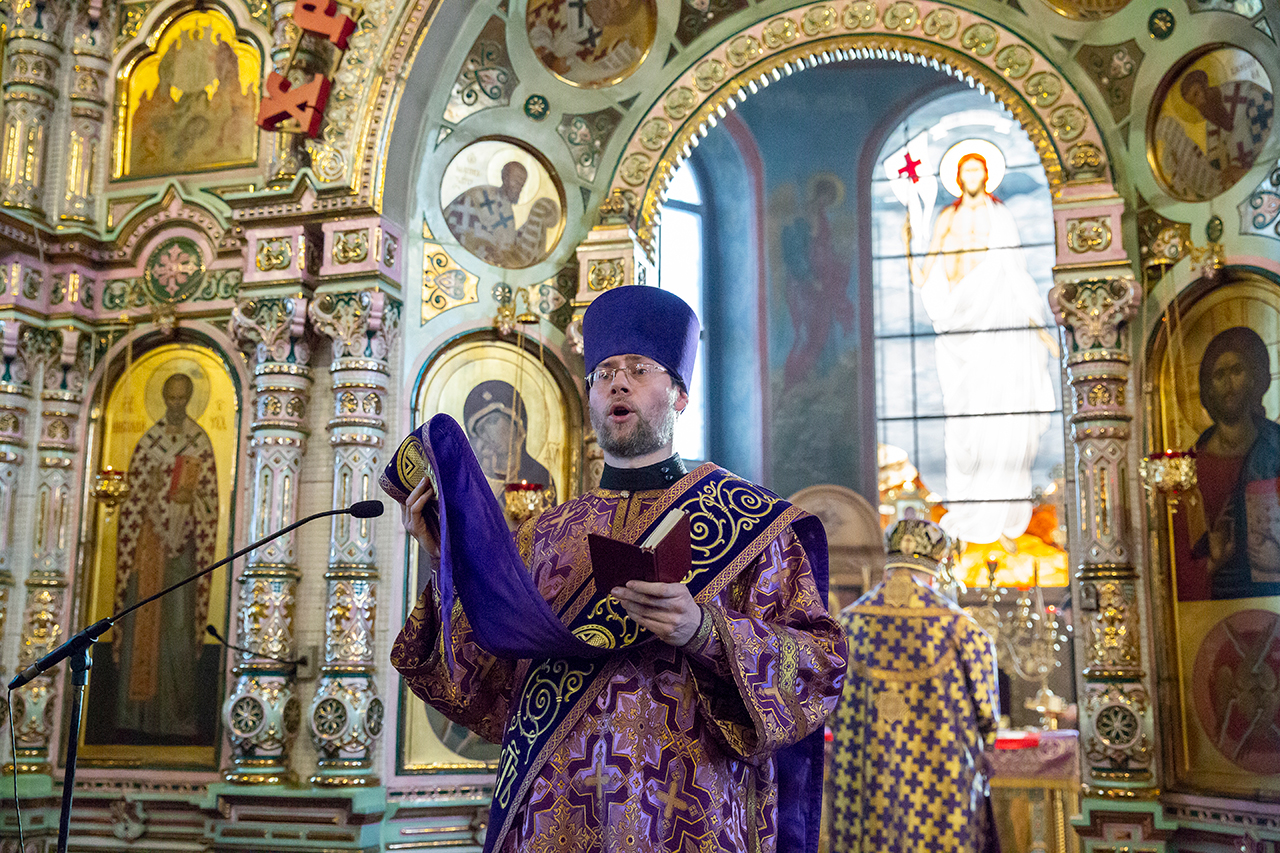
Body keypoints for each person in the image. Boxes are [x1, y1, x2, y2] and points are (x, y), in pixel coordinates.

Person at [387, 285, 847, 853]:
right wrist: (444, 559)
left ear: (680, 395)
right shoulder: (540, 537)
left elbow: (820, 668)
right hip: (552, 821)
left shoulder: (753, 527)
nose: (617, 383)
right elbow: (474, 683)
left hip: (691, 818)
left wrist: (705, 632)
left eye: (639, 369)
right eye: (603, 373)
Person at [907, 149, 1057, 546]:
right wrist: (908, 247)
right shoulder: (948, 217)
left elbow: (1016, 271)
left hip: (996, 319)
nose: (972, 176)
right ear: (958, 177)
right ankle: (969, 512)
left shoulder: (1000, 215)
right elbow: (925, 272)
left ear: (987, 174)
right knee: (965, 418)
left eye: (978, 170)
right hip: (958, 320)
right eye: (966, 170)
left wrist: (1038, 327)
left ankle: (1003, 515)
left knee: (1002, 412)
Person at [828, 517, 1000, 853]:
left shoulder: (846, 623)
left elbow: (826, 703)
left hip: (865, 771)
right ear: (935, 568)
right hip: (942, 774)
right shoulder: (960, 627)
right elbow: (986, 710)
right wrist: (988, 740)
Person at [113, 371, 219, 740]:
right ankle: (134, 717)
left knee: (177, 625)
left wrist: (192, 497)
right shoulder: (149, 442)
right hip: (150, 545)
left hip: (183, 550)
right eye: (170, 398)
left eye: (181, 398)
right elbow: (131, 498)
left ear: (189, 400)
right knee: (142, 618)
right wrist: (151, 493)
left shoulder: (200, 441)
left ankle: (176, 716)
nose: (175, 405)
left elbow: (211, 503)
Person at [1174, 326, 1280, 600]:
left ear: (1254, 377)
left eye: (1236, 370)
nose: (1228, 383)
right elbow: (1177, 562)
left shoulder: (1275, 446)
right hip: (1216, 603)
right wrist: (1214, 559)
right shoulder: (1191, 467)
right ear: (1208, 388)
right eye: (1219, 375)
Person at [1156, 68, 1274, 200]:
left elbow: (1275, 140)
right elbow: (1217, 171)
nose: (1199, 103)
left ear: (1205, 84)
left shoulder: (1248, 92)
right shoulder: (1212, 127)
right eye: (1193, 103)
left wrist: (1246, 173)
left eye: (1196, 94)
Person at [443, 160, 561, 269]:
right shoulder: (479, 195)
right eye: (516, 181)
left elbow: (508, 243)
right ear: (504, 177)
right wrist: (490, 250)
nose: (519, 187)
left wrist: (536, 220)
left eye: (522, 184)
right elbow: (462, 228)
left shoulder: (506, 207)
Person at [463, 379, 556, 505]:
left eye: (493, 421)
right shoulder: (474, 480)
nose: (488, 435)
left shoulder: (539, 476)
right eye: (481, 429)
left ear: (516, 424)